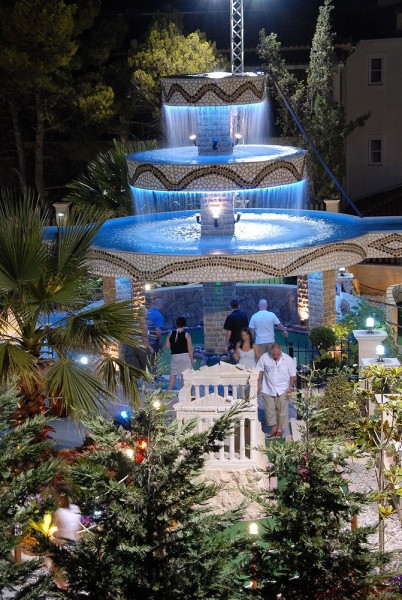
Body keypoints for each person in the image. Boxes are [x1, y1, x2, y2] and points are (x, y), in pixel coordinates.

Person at [256, 343, 296, 439]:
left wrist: (290, 388)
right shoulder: (264, 357)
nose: (275, 356)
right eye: (274, 354)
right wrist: (259, 382)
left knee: (282, 410)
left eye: (277, 354)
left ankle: (279, 430)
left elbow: (292, 375)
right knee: (270, 410)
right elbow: (259, 370)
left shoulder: (288, 360)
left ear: (280, 351)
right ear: (271, 352)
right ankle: (274, 429)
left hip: (283, 388)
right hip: (268, 388)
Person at [49, 482, 82, 589]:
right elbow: (76, 530)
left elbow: (58, 532)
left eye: (56, 495)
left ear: (60, 496)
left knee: (59, 575)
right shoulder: (76, 509)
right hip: (74, 547)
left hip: (63, 548)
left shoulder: (59, 512)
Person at [165, 316, 194, 391]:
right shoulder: (187, 335)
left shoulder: (170, 333)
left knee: (172, 377)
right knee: (184, 378)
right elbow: (190, 349)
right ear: (185, 324)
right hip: (185, 357)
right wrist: (192, 360)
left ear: (176, 324)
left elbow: (167, 346)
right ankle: (183, 395)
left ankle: (167, 393)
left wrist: (175, 348)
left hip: (175, 357)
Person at [146, 298, 164, 370]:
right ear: (160, 304)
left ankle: (149, 373)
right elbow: (158, 330)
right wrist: (160, 340)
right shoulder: (158, 315)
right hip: (153, 341)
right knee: (155, 358)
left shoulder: (148, 312)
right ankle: (154, 373)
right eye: (163, 304)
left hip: (146, 340)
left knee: (148, 359)